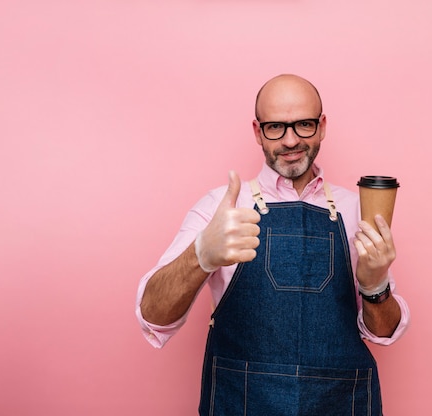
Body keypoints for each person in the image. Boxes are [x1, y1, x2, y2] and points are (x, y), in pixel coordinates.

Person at [135, 74, 410, 415]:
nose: (290, 139)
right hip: (242, 402)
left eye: (304, 124)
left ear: (322, 126)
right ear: (257, 131)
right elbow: (152, 316)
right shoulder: (222, 209)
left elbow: (384, 332)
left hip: (340, 402)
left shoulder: (358, 211)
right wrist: (200, 255)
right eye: (275, 127)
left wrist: (375, 285)